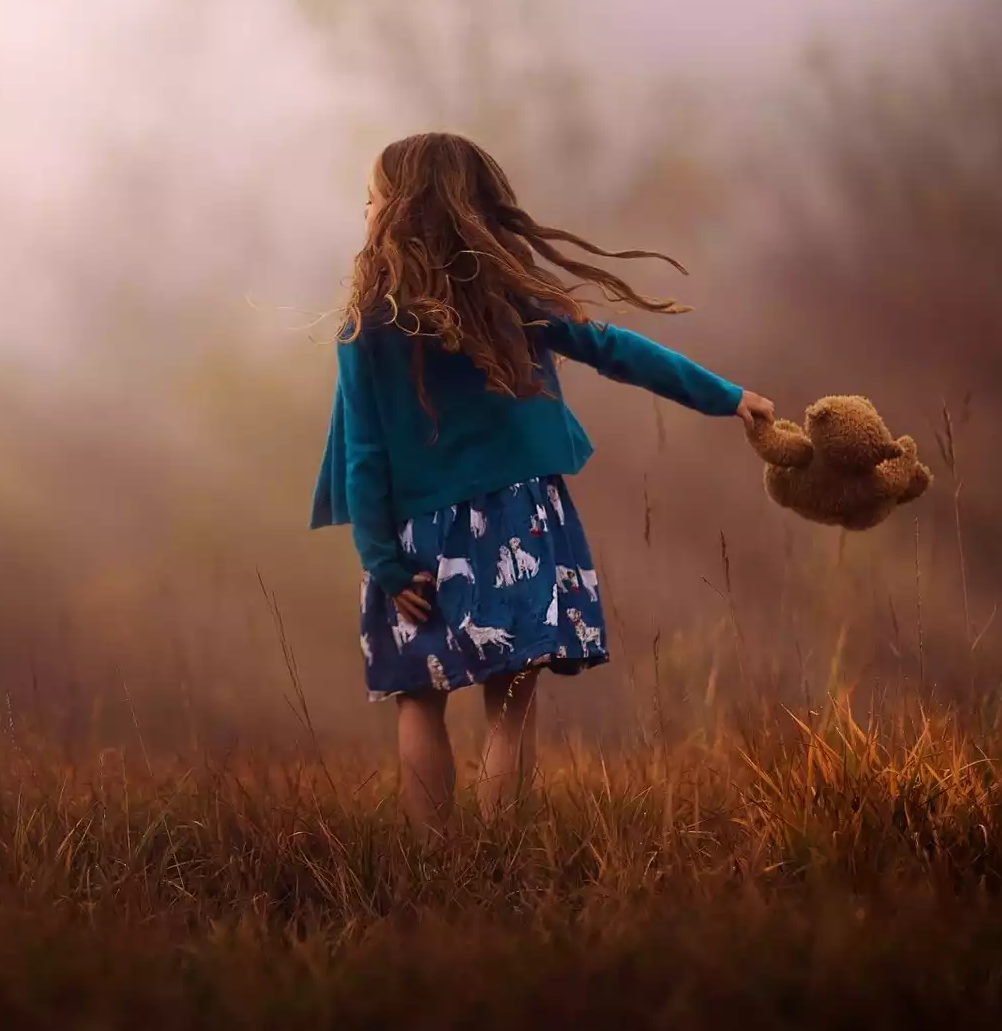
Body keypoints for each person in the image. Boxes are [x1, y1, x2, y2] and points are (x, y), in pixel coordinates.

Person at [310, 132, 773, 830]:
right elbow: (614, 350)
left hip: (414, 537)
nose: (366, 210)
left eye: (372, 197)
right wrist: (728, 395)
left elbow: (364, 453)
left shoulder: (367, 323)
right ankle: (498, 860)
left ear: (403, 210)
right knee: (511, 703)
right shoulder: (509, 296)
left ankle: (434, 867)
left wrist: (382, 557)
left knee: (418, 700)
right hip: (513, 521)